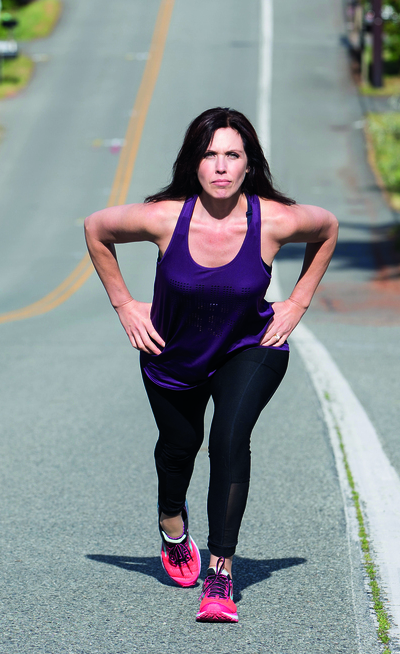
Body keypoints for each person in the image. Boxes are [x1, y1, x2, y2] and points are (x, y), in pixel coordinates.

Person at [84, 107, 338, 623]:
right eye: (209, 155)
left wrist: (297, 302)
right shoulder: (163, 218)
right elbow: (95, 229)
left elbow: (328, 228)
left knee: (228, 439)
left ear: (249, 165)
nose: (221, 166)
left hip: (250, 345)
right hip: (172, 352)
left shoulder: (274, 221)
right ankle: (172, 526)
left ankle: (220, 573)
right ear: (194, 164)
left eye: (232, 155)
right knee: (180, 448)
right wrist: (125, 304)